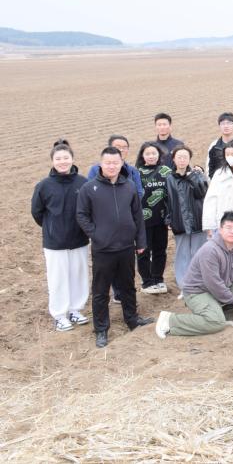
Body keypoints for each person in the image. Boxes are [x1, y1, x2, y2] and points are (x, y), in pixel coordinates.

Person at [76, 146, 154, 347]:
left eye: (115, 163)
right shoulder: (89, 188)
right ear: (101, 164)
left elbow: (138, 215)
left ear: (121, 164)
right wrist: (96, 234)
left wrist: (141, 241)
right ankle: (101, 329)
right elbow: (81, 215)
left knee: (128, 286)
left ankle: (132, 319)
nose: (111, 166)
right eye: (108, 163)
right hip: (103, 249)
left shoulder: (129, 186)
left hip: (126, 247)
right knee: (101, 291)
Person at [154, 211, 233, 339]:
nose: (232, 231)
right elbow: (213, 284)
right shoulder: (210, 250)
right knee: (215, 322)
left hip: (223, 288)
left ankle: (226, 317)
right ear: (220, 230)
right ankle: (170, 320)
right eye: (228, 227)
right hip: (198, 292)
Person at [32, 140, 90, 331]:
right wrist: (52, 228)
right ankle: (59, 315)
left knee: (78, 275)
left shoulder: (83, 183)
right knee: (57, 279)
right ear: (52, 161)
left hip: (79, 239)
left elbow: (89, 209)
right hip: (54, 243)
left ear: (72, 159)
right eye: (58, 158)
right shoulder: (44, 186)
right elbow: (37, 212)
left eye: (66, 158)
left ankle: (75, 309)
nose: (62, 161)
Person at [165, 145, 210, 293]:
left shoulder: (197, 175)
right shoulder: (169, 179)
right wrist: (169, 220)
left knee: (199, 253)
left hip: (198, 220)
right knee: (182, 254)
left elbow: (203, 193)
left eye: (185, 157)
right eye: (179, 157)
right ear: (174, 159)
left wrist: (193, 177)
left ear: (189, 159)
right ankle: (184, 286)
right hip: (179, 222)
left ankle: (200, 284)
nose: (182, 160)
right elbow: (167, 201)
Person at [135, 142, 172, 294]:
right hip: (142, 220)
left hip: (161, 219)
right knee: (143, 251)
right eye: (148, 154)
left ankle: (158, 279)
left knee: (160, 250)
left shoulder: (166, 171)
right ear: (142, 156)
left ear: (159, 155)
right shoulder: (137, 173)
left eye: (154, 153)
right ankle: (147, 281)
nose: (151, 156)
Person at [202, 140, 233, 238]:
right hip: (222, 221)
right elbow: (211, 199)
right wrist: (209, 225)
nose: (230, 157)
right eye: (227, 154)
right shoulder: (219, 174)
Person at [206, 112, 233, 177]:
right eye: (223, 123)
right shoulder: (214, 146)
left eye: (229, 123)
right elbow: (210, 169)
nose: (226, 126)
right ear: (219, 126)